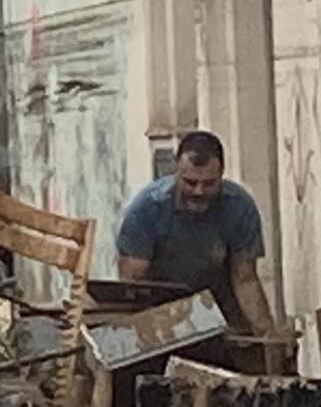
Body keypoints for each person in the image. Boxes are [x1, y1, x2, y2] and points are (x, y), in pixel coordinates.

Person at [116, 130, 278, 332]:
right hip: (161, 314)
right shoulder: (146, 209)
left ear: (221, 175)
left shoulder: (239, 207)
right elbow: (132, 285)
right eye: (190, 182)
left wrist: (266, 331)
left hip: (222, 313)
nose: (199, 191)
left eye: (209, 183)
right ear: (176, 171)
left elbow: (245, 279)